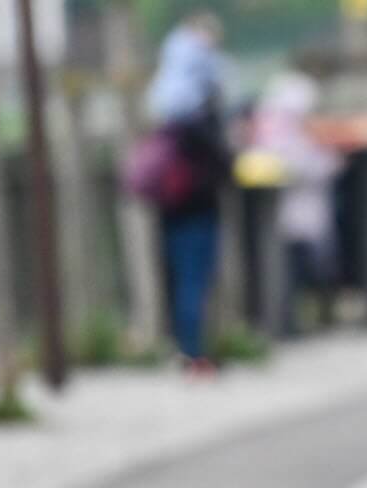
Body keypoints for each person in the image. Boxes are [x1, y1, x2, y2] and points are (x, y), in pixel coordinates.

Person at [145, 11, 236, 373]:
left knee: (179, 275)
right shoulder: (194, 105)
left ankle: (184, 346)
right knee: (194, 277)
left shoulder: (164, 97)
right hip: (196, 203)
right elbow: (216, 155)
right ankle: (193, 351)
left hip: (172, 203)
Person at [247, 71, 342, 336]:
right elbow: (301, 165)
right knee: (293, 272)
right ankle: (289, 323)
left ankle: (299, 319)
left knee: (303, 269)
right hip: (289, 215)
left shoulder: (288, 130)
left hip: (298, 214)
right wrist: (329, 164)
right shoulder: (281, 132)